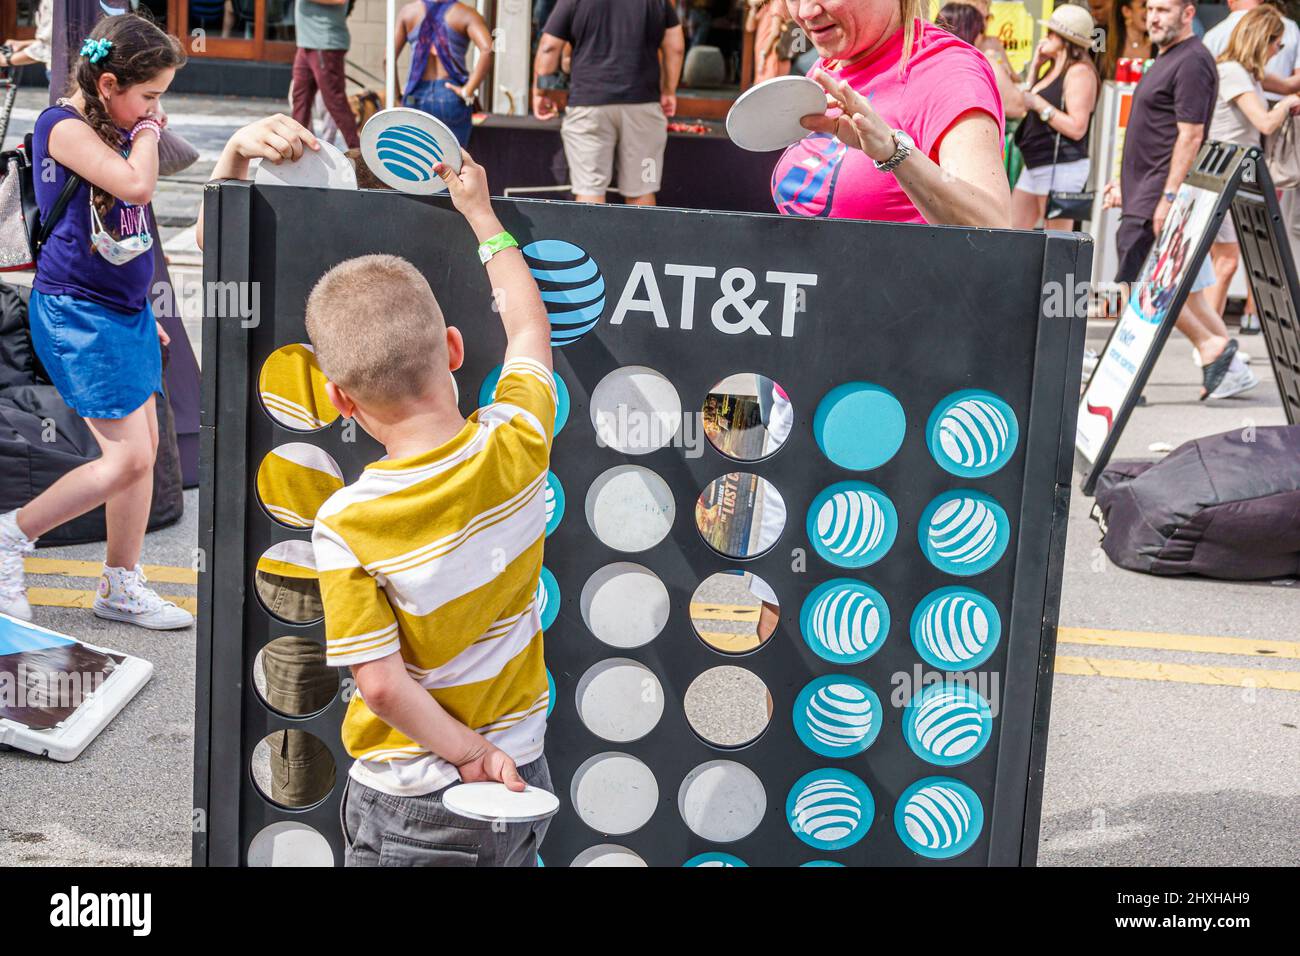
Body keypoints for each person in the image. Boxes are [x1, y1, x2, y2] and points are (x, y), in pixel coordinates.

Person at [304, 153, 556, 867]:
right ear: (452, 350)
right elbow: (529, 331)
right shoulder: (519, 437)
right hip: (522, 774)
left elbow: (380, 684)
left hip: (416, 800)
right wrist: (482, 216)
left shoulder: (348, 523)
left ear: (340, 401)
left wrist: (467, 753)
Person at [0, 14, 192, 627]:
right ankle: (10, 538)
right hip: (77, 316)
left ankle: (119, 585)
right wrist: (151, 133)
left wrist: (142, 311)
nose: (156, 109)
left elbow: (123, 234)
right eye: (150, 96)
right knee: (128, 460)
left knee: (148, 449)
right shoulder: (62, 126)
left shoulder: (117, 123)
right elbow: (134, 188)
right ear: (108, 84)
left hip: (122, 313)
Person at [1104, 0, 1254, 398]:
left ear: (1188, 14)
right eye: (1150, 9)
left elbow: (1190, 135)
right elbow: (1151, 132)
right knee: (1183, 289)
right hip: (1146, 192)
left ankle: (1210, 349)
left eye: (1164, 10)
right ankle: (1232, 369)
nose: (1153, 17)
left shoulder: (1192, 60)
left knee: (1141, 287)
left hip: (1159, 196)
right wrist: (1124, 185)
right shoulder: (1167, 58)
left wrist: (1167, 197)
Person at [774, 0, 1009, 226]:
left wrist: (893, 153)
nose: (806, 11)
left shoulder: (950, 75)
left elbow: (991, 227)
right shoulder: (829, 64)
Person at [1203, 0, 1300, 333]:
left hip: (1234, 175)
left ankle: (1213, 341)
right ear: (1263, 39)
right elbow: (1265, 121)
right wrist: (1287, 104)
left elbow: (1288, 85)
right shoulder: (1233, 72)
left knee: (1226, 261)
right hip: (1225, 174)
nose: (1279, 50)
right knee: (1226, 261)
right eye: (1277, 43)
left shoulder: (1246, 73)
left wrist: (1289, 94)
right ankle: (1213, 341)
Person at [533, 1, 685, 206]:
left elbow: (549, 47)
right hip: (643, 105)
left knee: (589, 189)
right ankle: (641, 240)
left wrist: (541, 92)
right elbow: (675, 48)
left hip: (588, 105)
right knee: (642, 189)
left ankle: (590, 240)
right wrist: (669, 91)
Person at [1012, 4, 1101, 230]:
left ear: (1064, 38)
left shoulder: (1080, 72)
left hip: (1060, 166)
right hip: (1037, 163)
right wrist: (1035, 67)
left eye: (1051, 33)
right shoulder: (1052, 68)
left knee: (1056, 241)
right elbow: (1024, 101)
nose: (1046, 37)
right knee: (1012, 230)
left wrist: (1040, 105)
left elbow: (1077, 127)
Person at [391, 0, 493, 147]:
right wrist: (468, 90)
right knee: (453, 163)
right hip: (451, 94)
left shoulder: (408, 11)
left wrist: (398, 96)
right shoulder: (465, 13)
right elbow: (487, 49)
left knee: (415, 161)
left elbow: (388, 59)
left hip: (416, 94)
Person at [290, 0, 360, 151]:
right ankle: (296, 151)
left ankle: (361, 157)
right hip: (306, 43)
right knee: (300, 100)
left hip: (324, 44)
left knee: (335, 102)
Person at [2, 0, 53, 81]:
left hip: (64, 72)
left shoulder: (52, 3)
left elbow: (50, 47)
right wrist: (22, 44)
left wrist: (8, 60)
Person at [1101, 0, 1153, 79]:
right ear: (1126, 11)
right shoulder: (1104, 46)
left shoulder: (1158, 48)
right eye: (1144, 5)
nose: (1150, 11)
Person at [750, 0, 794, 85]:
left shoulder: (777, 3)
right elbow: (750, 28)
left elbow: (775, 32)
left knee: (767, 90)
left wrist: (763, 54)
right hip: (766, 54)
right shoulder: (767, 5)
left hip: (772, 55)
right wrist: (753, 8)